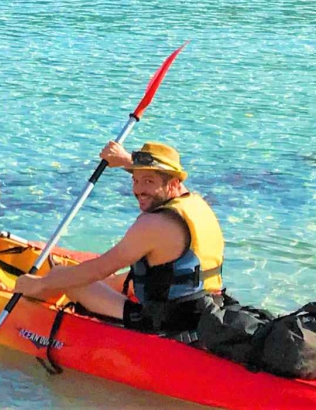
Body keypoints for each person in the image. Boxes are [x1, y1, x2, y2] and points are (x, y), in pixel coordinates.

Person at [12, 141, 224, 339]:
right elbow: (155, 177)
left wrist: (42, 282)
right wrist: (125, 160)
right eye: (135, 180)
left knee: (63, 276)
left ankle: (30, 301)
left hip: (166, 323)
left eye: (148, 181)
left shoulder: (154, 224)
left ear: (173, 183)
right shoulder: (196, 204)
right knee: (125, 280)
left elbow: (98, 269)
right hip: (205, 309)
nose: (138, 190)